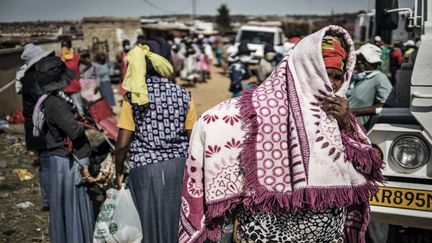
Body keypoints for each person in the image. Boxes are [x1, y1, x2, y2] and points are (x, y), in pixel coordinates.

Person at [178, 25, 384, 243]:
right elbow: (218, 125)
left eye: (337, 76)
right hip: (267, 233)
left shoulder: (340, 116)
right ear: (305, 69)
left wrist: (347, 126)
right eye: (323, 73)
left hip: (326, 234)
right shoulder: (261, 108)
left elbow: (368, 166)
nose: (331, 84)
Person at [114, 37, 198, 243]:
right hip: (178, 168)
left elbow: (123, 143)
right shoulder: (183, 95)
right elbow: (194, 138)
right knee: (175, 222)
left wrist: (118, 172)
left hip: (144, 170)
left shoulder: (133, 97)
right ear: (166, 62)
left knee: (147, 223)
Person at [33, 55, 94, 243]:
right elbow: (74, 131)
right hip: (67, 161)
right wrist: (85, 123)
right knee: (73, 204)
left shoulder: (50, 100)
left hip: (60, 160)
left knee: (65, 205)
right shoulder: (56, 104)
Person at [19, 43, 54, 211]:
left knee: (44, 163)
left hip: (35, 128)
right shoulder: (34, 81)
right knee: (47, 163)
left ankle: (49, 199)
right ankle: (50, 200)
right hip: (39, 128)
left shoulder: (28, 79)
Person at [347, 43, 396, 128]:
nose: (359, 62)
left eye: (363, 60)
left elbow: (386, 105)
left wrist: (353, 112)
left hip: (359, 127)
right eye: (359, 59)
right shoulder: (355, 77)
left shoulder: (379, 78)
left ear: (375, 63)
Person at [60, 38, 86, 114]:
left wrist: (79, 74)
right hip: (64, 88)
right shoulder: (60, 59)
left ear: (70, 46)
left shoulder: (76, 58)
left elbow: (89, 64)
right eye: (62, 46)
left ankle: (83, 123)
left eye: (65, 45)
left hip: (74, 86)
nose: (64, 47)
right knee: (68, 109)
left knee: (79, 107)